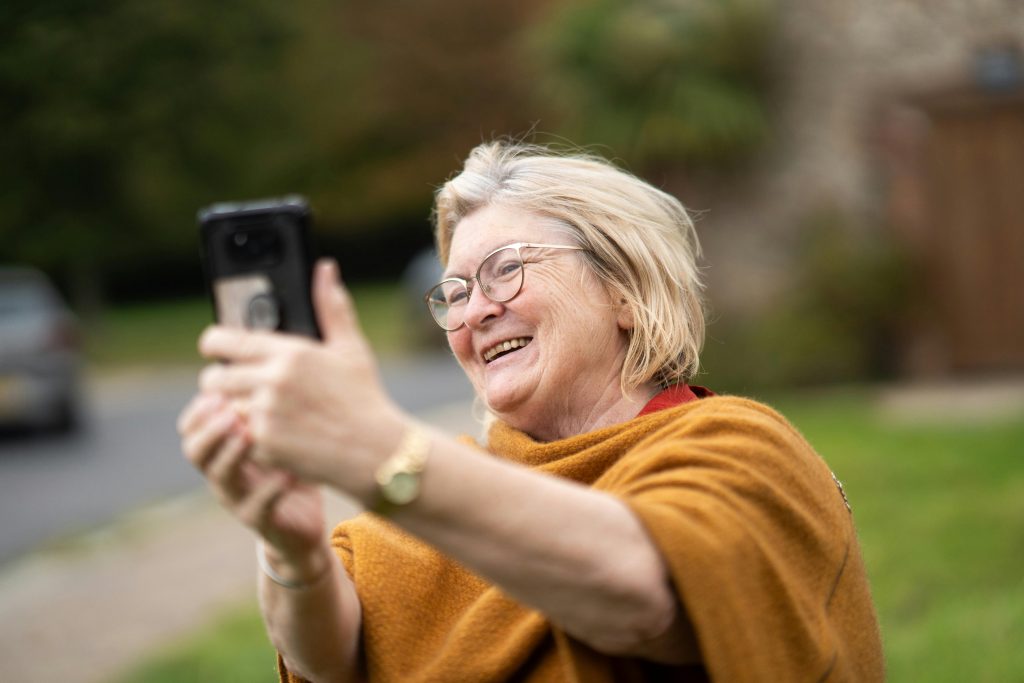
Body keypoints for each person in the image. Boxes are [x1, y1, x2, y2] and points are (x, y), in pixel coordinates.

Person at [178, 141, 884, 682]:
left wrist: (375, 446)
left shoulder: (746, 448)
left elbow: (645, 593)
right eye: (454, 292)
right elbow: (328, 657)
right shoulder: (430, 518)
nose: (476, 311)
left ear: (626, 293)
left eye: (506, 269)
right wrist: (289, 542)